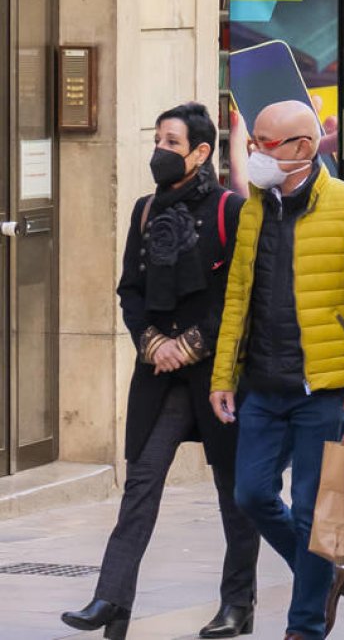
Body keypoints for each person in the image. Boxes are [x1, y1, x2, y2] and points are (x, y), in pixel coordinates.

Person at [62, 103, 259, 640]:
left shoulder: (230, 211)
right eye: (157, 140)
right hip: (158, 374)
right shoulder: (145, 210)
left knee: (233, 491)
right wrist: (152, 343)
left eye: (171, 143)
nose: (160, 152)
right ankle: (110, 601)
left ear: (200, 152)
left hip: (215, 376)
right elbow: (130, 289)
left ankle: (237, 606)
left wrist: (192, 344)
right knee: (142, 482)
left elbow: (241, 295)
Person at [209, 100, 344, 640]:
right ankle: (324, 576)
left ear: (304, 148)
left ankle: (305, 625)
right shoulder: (254, 209)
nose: (254, 154)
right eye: (253, 143)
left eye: (264, 144)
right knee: (251, 494)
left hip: (325, 388)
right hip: (263, 383)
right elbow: (238, 295)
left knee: (314, 511)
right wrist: (224, 375)